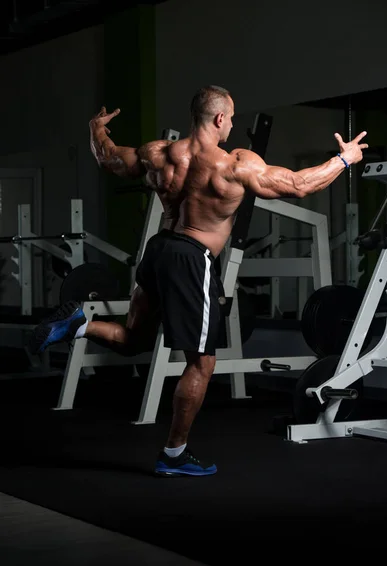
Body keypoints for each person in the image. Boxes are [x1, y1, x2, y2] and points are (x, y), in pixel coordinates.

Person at [29, 85, 368, 477]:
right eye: (232, 117)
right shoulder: (234, 164)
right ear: (220, 118)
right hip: (192, 258)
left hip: (158, 251)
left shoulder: (158, 154)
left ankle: (79, 324)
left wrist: (96, 129)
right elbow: (297, 185)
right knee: (202, 363)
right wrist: (345, 159)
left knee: (135, 339)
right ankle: (173, 455)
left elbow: (108, 159)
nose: (232, 125)